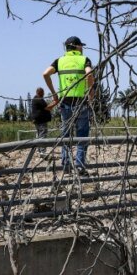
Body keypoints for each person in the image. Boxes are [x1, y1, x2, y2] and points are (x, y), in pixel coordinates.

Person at [42, 36, 94, 174]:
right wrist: (91, 93)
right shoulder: (84, 60)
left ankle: (66, 165)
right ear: (76, 46)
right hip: (81, 102)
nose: (82, 48)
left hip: (65, 103)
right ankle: (80, 166)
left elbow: (45, 74)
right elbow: (89, 74)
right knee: (82, 135)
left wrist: (54, 94)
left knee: (66, 134)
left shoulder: (59, 61)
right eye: (81, 45)